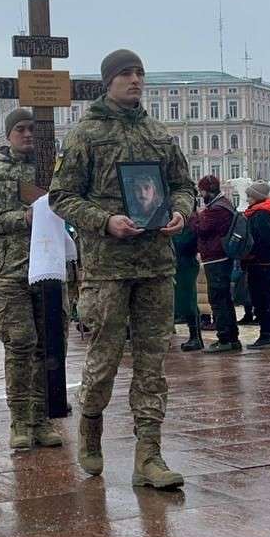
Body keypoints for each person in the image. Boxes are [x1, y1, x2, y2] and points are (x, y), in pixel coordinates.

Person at [51, 49, 194, 490]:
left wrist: (181, 213)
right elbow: (62, 196)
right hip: (107, 268)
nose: (135, 80)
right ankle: (90, 423)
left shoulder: (158, 132)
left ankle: (148, 455)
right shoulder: (86, 134)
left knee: (153, 364)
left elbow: (182, 185)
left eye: (139, 73)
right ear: (108, 81)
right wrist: (105, 221)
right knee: (104, 361)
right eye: (126, 74)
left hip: (155, 264)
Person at [0, 109, 64, 450]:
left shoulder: (50, 171)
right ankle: (20, 420)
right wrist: (21, 218)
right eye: (21, 129)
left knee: (47, 344)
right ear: (9, 134)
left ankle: (42, 419)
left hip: (47, 268)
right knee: (21, 342)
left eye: (32, 130)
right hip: (11, 270)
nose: (27, 135)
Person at [193, 176, 242, 353]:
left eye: (202, 191)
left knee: (218, 299)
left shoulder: (217, 209)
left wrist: (195, 216)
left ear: (208, 190)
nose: (201, 194)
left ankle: (224, 338)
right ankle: (232, 338)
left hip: (216, 258)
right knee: (224, 299)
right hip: (219, 256)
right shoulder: (224, 204)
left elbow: (201, 228)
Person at [242, 181, 270, 350]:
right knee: (265, 298)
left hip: (260, 263)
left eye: (249, 196)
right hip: (265, 262)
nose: (247, 199)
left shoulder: (261, 214)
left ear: (256, 197)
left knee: (261, 299)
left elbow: (260, 240)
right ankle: (269, 333)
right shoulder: (265, 212)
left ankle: (267, 334)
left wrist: (248, 254)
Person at [172, 211, 203, 352]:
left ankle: (195, 337)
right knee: (174, 300)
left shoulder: (191, 222)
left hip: (185, 265)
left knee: (188, 300)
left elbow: (186, 244)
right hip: (178, 265)